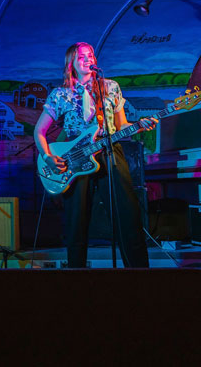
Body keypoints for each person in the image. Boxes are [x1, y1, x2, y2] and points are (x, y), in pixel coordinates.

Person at [33, 42, 157, 268]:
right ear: (71, 63)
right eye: (81, 56)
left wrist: (138, 126)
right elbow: (39, 131)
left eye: (90, 55)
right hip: (74, 158)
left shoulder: (110, 87)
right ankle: (77, 272)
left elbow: (121, 125)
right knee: (76, 221)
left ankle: (138, 271)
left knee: (127, 214)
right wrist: (48, 156)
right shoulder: (61, 94)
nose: (87, 59)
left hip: (109, 151)